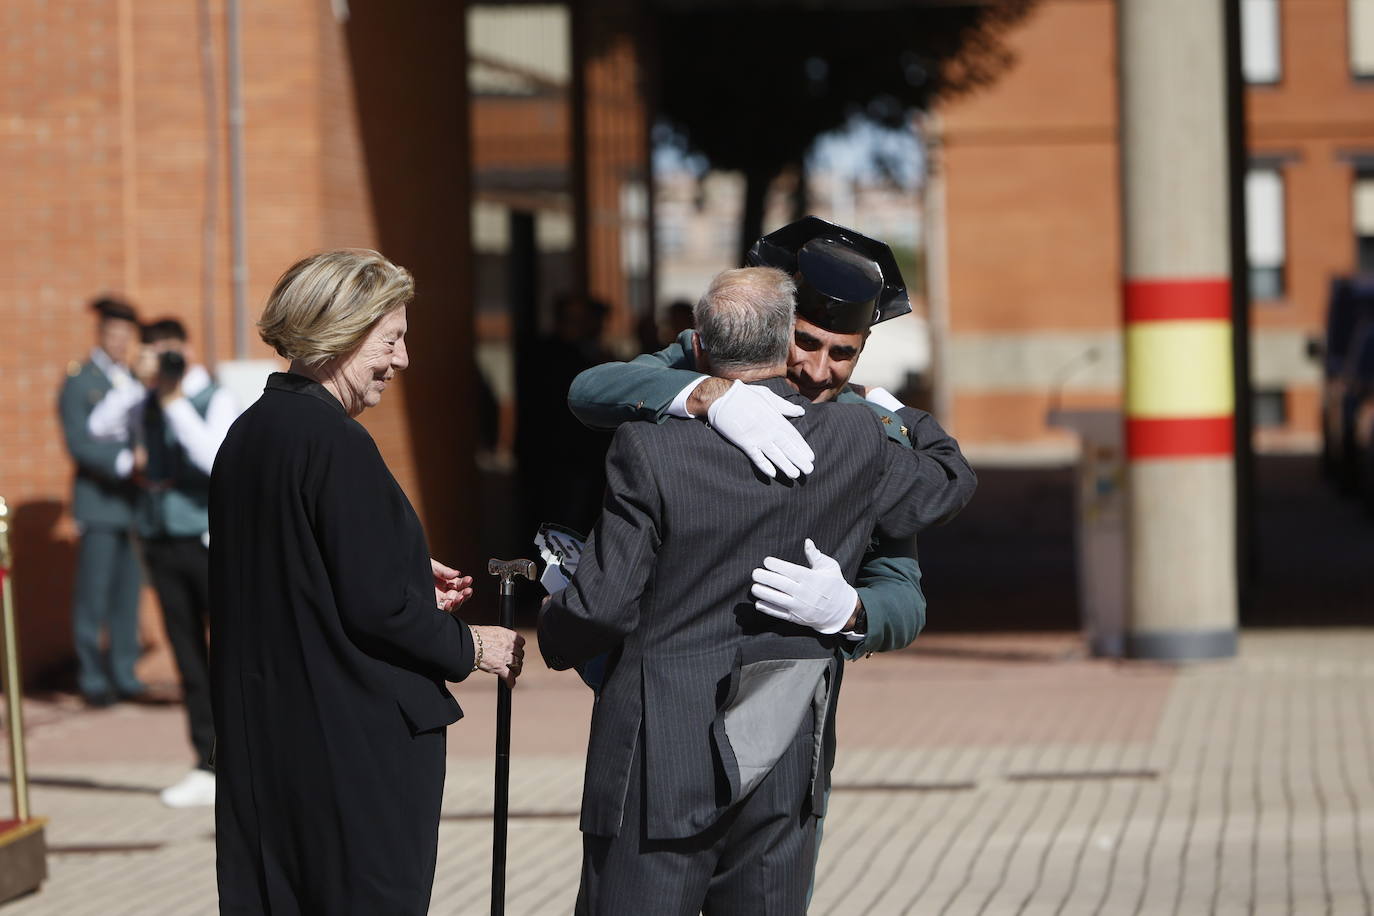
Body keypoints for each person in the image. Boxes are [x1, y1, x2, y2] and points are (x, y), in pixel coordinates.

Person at [539, 266, 970, 914]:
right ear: (782, 339)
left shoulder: (655, 447)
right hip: (780, 746)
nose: (822, 370)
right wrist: (706, 392)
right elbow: (593, 388)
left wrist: (853, 610)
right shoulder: (858, 442)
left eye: (843, 354)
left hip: (669, 752)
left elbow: (902, 586)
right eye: (809, 344)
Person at [209, 250, 525, 914]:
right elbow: (376, 606)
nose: (401, 359)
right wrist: (473, 646)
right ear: (341, 334)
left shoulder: (251, 434)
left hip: (272, 744)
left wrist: (407, 572)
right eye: (391, 339)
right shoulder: (334, 442)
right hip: (350, 751)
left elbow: (294, 575)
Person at [88, 318, 238, 807]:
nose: (166, 360)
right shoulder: (143, 396)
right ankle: (207, 761)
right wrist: (137, 381)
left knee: (235, 651)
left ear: (189, 348)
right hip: (158, 540)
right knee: (189, 657)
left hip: (208, 541)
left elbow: (214, 458)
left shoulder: (211, 396)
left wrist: (173, 401)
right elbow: (99, 427)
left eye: (172, 350)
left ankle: (251, 755)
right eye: (156, 351)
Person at [58, 296, 146, 707]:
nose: (119, 342)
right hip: (98, 502)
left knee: (129, 594)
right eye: (113, 334)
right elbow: (78, 443)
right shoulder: (80, 380)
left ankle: (124, 673)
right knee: (93, 594)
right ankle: (93, 676)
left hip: (134, 505)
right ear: (101, 334)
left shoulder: (133, 378)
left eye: (125, 336)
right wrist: (126, 461)